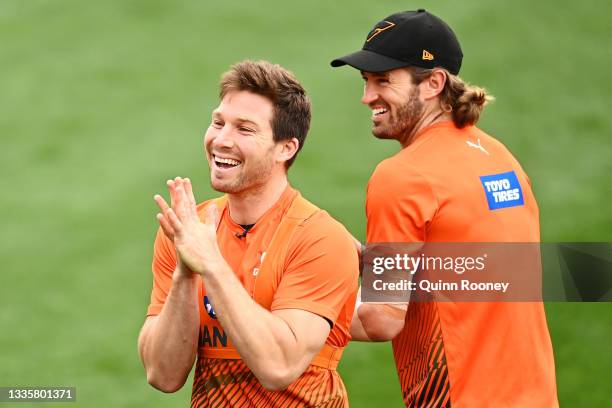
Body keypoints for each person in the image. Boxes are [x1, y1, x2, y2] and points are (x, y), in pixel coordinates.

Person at [331, 9, 559, 407]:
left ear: (434, 82)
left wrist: (286, 302)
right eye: (365, 81)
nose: (367, 97)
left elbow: (381, 317)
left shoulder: (403, 177)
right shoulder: (499, 157)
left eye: (383, 80)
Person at [138, 60, 358, 407]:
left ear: (286, 148)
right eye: (218, 123)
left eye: (244, 129)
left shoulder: (321, 238)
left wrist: (210, 264)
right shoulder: (189, 230)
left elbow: (277, 366)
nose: (221, 140)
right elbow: (163, 375)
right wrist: (184, 272)